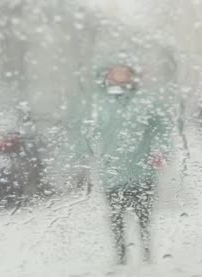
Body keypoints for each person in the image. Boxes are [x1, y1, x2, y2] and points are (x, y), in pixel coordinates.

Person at [71, 63, 173, 265]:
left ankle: (145, 253)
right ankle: (121, 255)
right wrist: (81, 155)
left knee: (143, 216)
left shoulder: (146, 102)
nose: (119, 76)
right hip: (112, 172)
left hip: (142, 170)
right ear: (106, 74)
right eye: (114, 71)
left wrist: (161, 151)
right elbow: (84, 132)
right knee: (116, 216)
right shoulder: (97, 104)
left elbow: (162, 129)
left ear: (131, 75)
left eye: (123, 71)